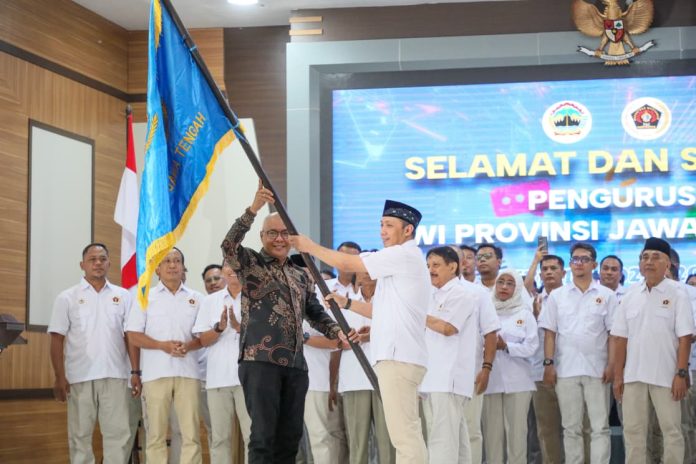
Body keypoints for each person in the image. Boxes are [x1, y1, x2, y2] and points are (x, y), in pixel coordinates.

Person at [290, 199, 431, 464]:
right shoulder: (401, 261)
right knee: (405, 434)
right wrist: (346, 303)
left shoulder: (402, 255)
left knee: (405, 437)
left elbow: (348, 263)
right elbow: (382, 310)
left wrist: (310, 247)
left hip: (398, 358)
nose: (383, 231)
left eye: (389, 225)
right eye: (381, 224)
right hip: (398, 358)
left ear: (408, 230)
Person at [221, 181, 349, 464]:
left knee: (290, 439)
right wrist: (253, 209)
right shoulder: (251, 264)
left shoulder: (300, 273)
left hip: (296, 366)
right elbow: (228, 246)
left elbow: (314, 311)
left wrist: (337, 331)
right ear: (262, 236)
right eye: (272, 233)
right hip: (260, 362)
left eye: (284, 233)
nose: (279, 239)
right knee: (263, 438)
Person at [48, 243, 134, 464]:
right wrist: (59, 376)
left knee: (118, 435)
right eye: (92, 259)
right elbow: (57, 339)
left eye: (102, 259)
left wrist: (135, 371)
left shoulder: (123, 296)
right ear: (82, 264)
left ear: (109, 263)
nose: (98, 263)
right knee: (80, 435)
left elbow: (130, 337)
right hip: (79, 376)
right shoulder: (66, 297)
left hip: (116, 375)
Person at [612, 237, 694, 464]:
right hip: (633, 376)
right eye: (644, 257)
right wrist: (618, 376)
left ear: (667, 264)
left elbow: (685, 337)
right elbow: (620, 339)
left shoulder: (678, 293)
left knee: (672, 431)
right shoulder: (629, 295)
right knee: (633, 431)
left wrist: (681, 373)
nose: (648, 262)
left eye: (655, 257)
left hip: (666, 375)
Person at [539, 242, 617, 464]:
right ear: (570, 264)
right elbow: (550, 333)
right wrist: (548, 364)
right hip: (565, 369)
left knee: (600, 427)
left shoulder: (607, 295)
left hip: (598, 369)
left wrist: (612, 365)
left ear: (594, 264)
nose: (579, 263)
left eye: (585, 259)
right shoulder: (557, 296)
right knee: (570, 428)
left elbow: (613, 334)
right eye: (575, 259)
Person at [126, 247, 204, 464]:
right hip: (155, 375)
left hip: (189, 374)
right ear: (157, 269)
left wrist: (188, 346)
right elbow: (133, 335)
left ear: (183, 267)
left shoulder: (197, 298)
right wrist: (162, 346)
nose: (172, 265)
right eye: (166, 261)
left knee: (191, 436)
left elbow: (204, 337)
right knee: (155, 436)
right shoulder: (144, 297)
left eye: (177, 261)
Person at [419, 246, 478, 463]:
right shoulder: (431, 295)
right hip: (433, 377)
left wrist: (416, 314)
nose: (430, 270)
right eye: (428, 266)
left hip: (448, 378)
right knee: (456, 441)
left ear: (452, 267)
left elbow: (448, 328)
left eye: (436, 265)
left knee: (441, 440)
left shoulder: (461, 294)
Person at [331, 270, 394, 464]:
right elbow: (336, 342)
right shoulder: (343, 302)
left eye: (370, 270)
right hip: (354, 379)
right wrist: (333, 383)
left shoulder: (391, 301)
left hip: (385, 379)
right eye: (362, 271)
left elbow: (399, 333)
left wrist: (371, 335)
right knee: (357, 445)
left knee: (389, 443)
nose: (366, 275)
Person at [193, 262, 251, 463]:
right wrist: (219, 328)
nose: (232, 269)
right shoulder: (210, 301)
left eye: (237, 264)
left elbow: (264, 338)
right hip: (218, 379)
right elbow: (202, 340)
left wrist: (238, 326)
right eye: (228, 265)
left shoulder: (257, 297)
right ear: (224, 271)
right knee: (219, 439)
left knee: (252, 437)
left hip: (249, 379)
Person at [482, 270, 539, 464]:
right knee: (492, 436)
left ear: (517, 288)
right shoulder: (485, 311)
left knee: (517, 434)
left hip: (519, 382)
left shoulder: (525, 314)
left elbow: (532, 347)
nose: (504, 287)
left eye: (510, 283)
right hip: (490, 381)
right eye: (501, 282)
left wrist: (507, 346)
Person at [524, 251, 566, 464]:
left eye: (554, 268)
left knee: (575, 427)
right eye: (545, 269)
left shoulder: (571, 297)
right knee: (546, 429)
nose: (549, 272)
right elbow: (522, 289)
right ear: (540, 275)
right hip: (540, 372)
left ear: (563, 273)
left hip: (569, 369)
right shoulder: (535, 300)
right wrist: (534, 316)